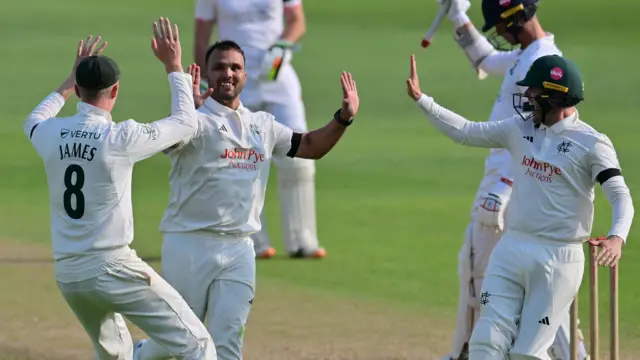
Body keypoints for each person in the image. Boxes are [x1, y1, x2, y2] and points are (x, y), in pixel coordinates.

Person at [132, 40, 359, 360]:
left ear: (245, 75)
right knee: (181, 342)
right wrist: (183, 96)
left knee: (227, 342)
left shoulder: (262, 125)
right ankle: (140, 354)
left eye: (235, 67)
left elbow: (309, 146)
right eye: (220, 67)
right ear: (207, 74)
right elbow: (169, 139)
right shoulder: (192, 119)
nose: (228, 73)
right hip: (189, 244)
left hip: (240, 247)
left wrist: (342, 119)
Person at [407, 53, 633, 360]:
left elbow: (620, 195)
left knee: (527, 354)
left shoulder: (592, 143)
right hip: (510, 249)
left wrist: (617, 236)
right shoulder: (519, 128)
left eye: (535, 92)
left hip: (559, 258)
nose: (527, 97)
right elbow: (466, 131)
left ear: (555, 97)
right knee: (485, 344)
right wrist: (423, 100)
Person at [23, 19, 217, 360]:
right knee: (199, 346)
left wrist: (69, 81)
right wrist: (174, 67)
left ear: (80, 91)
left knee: (117, 356)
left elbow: (33, 119)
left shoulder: (51, 134)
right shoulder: (119, 138)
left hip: (69, 274)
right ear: (115, 91)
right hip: (113, 265)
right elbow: (186, 123)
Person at [434, 0, 589, 358]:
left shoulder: (538, 62)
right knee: (544, 290)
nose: (499, 34)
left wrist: (503, 189)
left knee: (478, 273)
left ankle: (466, 354)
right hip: (518, 185)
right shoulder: (533, 54)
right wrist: (458, 13)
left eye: (502, 27)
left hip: (506, 186)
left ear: (516, 18)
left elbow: (536, 133)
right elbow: (486, 62)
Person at [193, 0, 325, 259]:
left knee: (298, 159)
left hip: (275, 73)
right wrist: (204, 81)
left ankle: (303, 241)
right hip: (234, 80)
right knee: (240, 158)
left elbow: (297, 21)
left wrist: (281, 46)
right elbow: (201, 37)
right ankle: (251, 240)